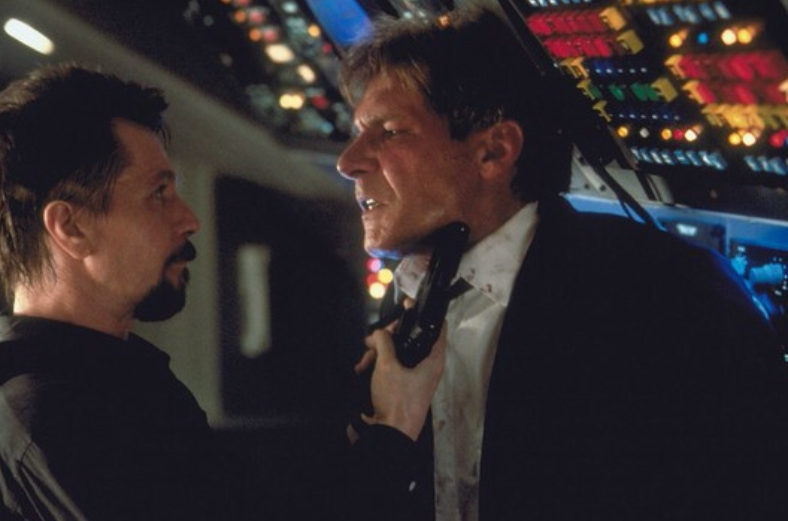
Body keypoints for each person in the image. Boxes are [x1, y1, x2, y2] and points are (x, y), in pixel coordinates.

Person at [336, 7, 788, 521]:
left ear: (494, 151)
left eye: (390, 132)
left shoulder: (669, 299)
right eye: (358, 132)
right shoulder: (411, 303)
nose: (348, 161)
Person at [0, 63, 237, 520]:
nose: (190, 220)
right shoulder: (47, 422)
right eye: (159, 194)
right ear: (71, 227)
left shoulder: (108, 392)